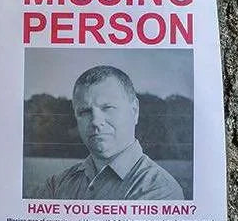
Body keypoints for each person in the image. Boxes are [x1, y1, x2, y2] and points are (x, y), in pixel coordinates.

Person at [36, 65, 185, 200]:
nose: (95, 121)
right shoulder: (56, 184)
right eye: (85, 111)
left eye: (108, 108)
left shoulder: (160, 190)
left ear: (134, 111)